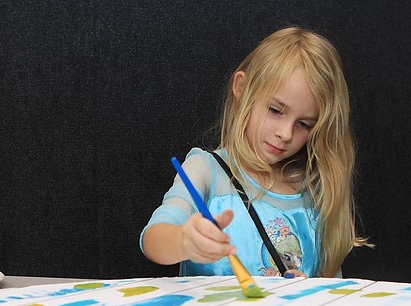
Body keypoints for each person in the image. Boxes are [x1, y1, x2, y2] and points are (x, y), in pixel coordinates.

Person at [141, 26, 368, 278]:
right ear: (241, 88)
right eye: (275, 110)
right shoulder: (205, 169)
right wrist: (184, 241)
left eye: (304, 124)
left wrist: (309, 290)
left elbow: (333, 295)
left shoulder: (314, 189)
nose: (286, 133)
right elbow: (153, 239)